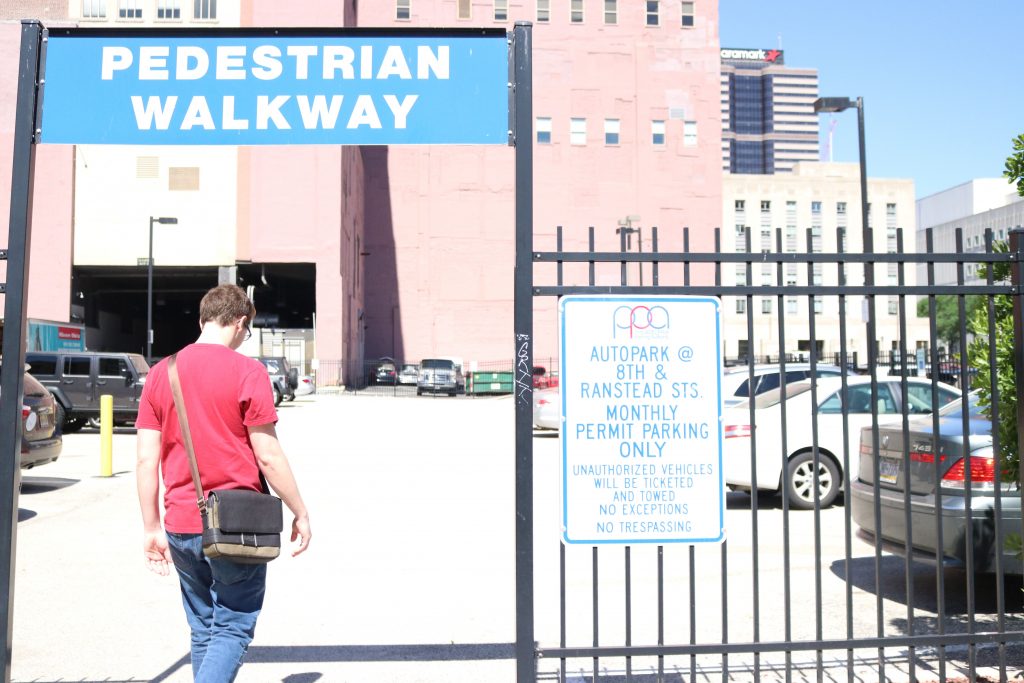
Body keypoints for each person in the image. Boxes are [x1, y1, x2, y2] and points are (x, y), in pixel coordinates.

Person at [135, 284, 311, 682]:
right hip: (236, 524)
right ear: (240, 323)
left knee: (203, 629)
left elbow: (146, 459)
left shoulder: (162, 372)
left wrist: (150, 527)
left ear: (202, 319)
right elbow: (267, 455)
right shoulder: (248, 372)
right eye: (246, 332)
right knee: (232, 626)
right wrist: (300, 511)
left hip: (180, 523)